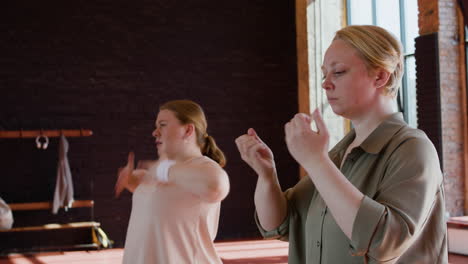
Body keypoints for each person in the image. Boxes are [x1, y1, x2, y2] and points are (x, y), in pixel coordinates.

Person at [235, 25, 448, 263]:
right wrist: (266, 175)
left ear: (379, 76)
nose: (325, 83)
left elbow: (386, 242)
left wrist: (316, 162)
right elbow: (278, 223)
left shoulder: (413, 148)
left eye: (338, 72)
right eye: (324, 74)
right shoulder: (339, 153)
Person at [115, 99, 230, 264]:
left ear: (188, 130)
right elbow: (167, 206)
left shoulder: (205, 168)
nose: (155, 132)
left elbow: (216, 187)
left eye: (163, 124)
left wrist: (162, 170)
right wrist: (134, 183)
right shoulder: (164, 170)